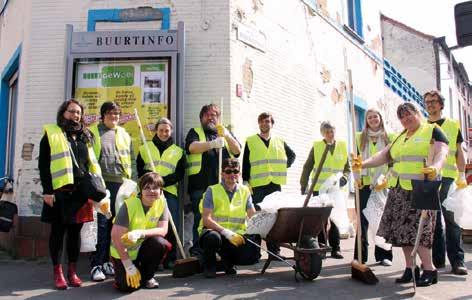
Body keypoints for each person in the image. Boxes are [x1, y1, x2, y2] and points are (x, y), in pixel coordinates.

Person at [353, 102, 449, 287]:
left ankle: (429, 269)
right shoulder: (400, 137)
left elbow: (442, 152)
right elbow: (383, 155)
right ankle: (410, 268)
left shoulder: (432, 130)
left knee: (421, 232)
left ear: (417, 113)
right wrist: (362, 164)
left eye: (409, 114)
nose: (406, 119)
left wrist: (435, 167)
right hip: (399, 190)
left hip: (422, 188)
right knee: (403, 233)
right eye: (402, 117)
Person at [39, 99, 109, 289]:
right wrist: (47, 191)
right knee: (58, 233)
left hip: (80, 194)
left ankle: (72, 271)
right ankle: (58, 273)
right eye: (72, 112)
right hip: (59, 192)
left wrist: (97, 188)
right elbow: (44, 165)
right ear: (63, 113)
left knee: (74, 234)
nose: (75, 115)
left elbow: (91, 164)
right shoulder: (52, 133)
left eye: (78, 112)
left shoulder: (85, 135)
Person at [185, 104, 241, 253]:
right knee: (200, 219)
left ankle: (221, 250)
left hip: (223, 187)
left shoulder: (225, 133)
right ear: (201, 117)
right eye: (207, 115)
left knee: (221, 219)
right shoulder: (195, 132)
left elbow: (237, 151)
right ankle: (198, 250)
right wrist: (212, 144)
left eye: (214, 115)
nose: (211, 117)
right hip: (201, 185)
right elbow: (192, 147)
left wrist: (227, 136)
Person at [424, 90, 468, 275]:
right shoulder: (422, 127)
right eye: (427, 102)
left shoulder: (451, 125)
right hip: (429, 178)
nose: (430, 105)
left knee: (451, 220)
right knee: (433, 222)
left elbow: (460, 151)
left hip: (448, 177)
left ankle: (457, 261)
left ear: (441, 104)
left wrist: (462, 174)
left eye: (434, 101)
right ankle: (437, 260)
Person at [88, 101, 134, 281]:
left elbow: (130, 159)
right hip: (100, 185)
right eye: (110, 113)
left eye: (116, 114)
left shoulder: (124, 133)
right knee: (100, 226)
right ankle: (96, 264)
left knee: (114, 225)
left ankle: (107, 261)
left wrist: (133, 183)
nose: (113, 117)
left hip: (120, 185)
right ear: (103, 115)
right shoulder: (93, 132)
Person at [242, 112, 296, 254]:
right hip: (257, 185)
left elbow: (292, 156)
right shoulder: (251, 141)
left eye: (267, 121)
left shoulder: (279, 141)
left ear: (272, 124)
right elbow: (246, 163)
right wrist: (245, 181)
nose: (264, 124)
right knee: (257, 217)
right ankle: (255, 251)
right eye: (261, 121)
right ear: (258, 124)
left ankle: (274, 250)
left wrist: (284, 166)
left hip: (274, 184)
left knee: (274, 217)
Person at [198, 158, 261, 278]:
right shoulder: (212, 190)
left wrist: (265, 221)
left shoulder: (245, 191)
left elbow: (252, 215)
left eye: (235, 171)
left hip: (236, 235)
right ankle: (210, 266)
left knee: (251, 255)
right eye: (228, 171)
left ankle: (228, 263)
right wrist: (225, 232)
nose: (232, 174)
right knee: (212, 238)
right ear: (222, 173)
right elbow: (206, 219)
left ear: (239, 174)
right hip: (214, 232)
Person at [136, 117, 186, 268]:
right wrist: (152, 184)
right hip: (148, 193)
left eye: (167, 130)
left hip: (169, 192)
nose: (164, 133)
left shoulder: (178, 151)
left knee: (171, 226)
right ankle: (152, 258)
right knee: (149, 224)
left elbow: (179, 174)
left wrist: (161, 183)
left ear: (171, 131)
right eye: (161, 130)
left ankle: (170, 258)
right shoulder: (145, 148)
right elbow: (140, 170)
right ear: (156, 131)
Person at [110, 172, 172, 292]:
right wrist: (128, 266)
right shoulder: (129, 205)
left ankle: (147, 277)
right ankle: (123, 275)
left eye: (155, 188)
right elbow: (115, 236)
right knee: (128, 287)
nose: (151, 191)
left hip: (143, 249)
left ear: (161, 190)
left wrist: (140, 233)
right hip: (123, 252)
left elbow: (163, 230)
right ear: (141, 190)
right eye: (147, 187)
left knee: (160, 243)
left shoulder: (162, 203)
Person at [300, 121, 350, 259]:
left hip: (336, 189)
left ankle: (336, 248)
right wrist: (303, 184)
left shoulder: (342, 146)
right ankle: (321, 247)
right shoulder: (317, 147)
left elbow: (347, 168)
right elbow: (307, 167)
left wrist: (345, 178)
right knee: (321, 219)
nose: (330, 134)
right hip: (319, 188)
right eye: (327, 132)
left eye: (332, 131)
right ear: (323, 134)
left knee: (335, 219)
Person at [354, 109, 394, 266]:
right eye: (369, 117)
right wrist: (356, 178)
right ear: (366, 120)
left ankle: (384, 255)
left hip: (382, 185)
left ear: (380, 118)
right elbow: (356, 161)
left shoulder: (389, 137)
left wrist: (387, 179)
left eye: (375, 116)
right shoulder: (359, 137)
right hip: (364, 185)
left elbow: (393, 162)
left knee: (382, 220)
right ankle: (360, 256)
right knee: (362, 221)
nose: (372, 119)